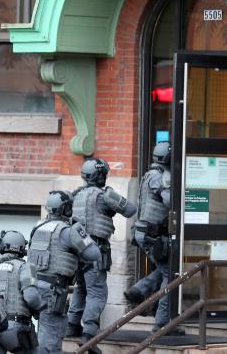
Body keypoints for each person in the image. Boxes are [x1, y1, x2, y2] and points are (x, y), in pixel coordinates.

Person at [66, 158, 137, 352]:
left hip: (77, 249)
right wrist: (112, 196)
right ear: (100, 176)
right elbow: (131, 210)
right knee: (97, 293)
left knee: (81, 288)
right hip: (95, 249)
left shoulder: (75, 195)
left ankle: (72, 325)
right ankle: (89, 334)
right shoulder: (103, 196)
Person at [27, 190, 101, 354]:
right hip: (53, 290)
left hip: (32, 286)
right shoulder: (67, 231)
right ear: (66, 209)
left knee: (47, 329)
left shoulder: (38, 226)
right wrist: (80, 230)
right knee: (51, 335)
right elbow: (94, 254)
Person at [124, 141, 184, 336]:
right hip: (153, 233)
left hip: (145, 231)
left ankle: (140, 289)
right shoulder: (160, 177)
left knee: (165, 268)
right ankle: (162, 323)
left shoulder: (149, 174)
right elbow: (170, 201)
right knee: (171, 275)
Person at [0, 230, 43, 354]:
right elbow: (31, 297)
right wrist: (42, 309)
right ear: (22, 248)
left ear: (2, 245)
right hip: (16, 330)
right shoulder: (25, 267)